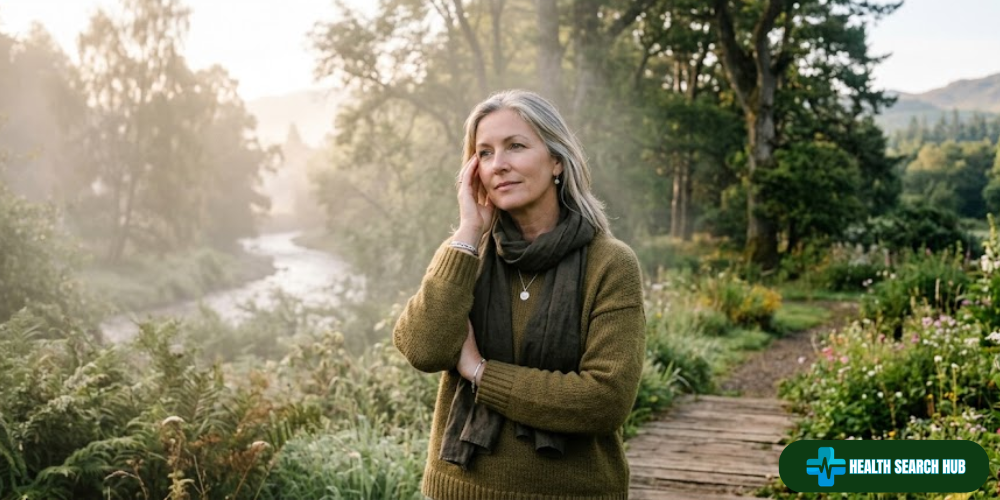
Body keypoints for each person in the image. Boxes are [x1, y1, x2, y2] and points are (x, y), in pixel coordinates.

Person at [392, 89, 645, 500]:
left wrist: (479, 372)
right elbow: (423, 349)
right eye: (485, 153)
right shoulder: (465, 254)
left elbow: (605, 399)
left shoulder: (610, 263)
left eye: (516, 146)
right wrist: (469, 231)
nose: (500, 165)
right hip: (460, 489)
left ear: (557, 160)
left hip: (572, 493)